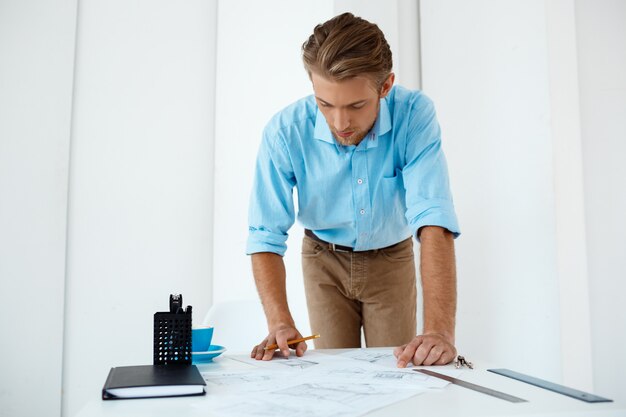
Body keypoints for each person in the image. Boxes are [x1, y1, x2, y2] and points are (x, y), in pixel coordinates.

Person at [246, 12, 460, 368]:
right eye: (325, 104)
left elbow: (433, 215)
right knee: (332, 376)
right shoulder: (284, 132)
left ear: (385, 86)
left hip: (392, 257)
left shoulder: (415, 115)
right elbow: (264, 233)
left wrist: (440, 332)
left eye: (356, 106)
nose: (340, 124)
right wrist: (280, 322)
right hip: (322, 259)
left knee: (401, 374)